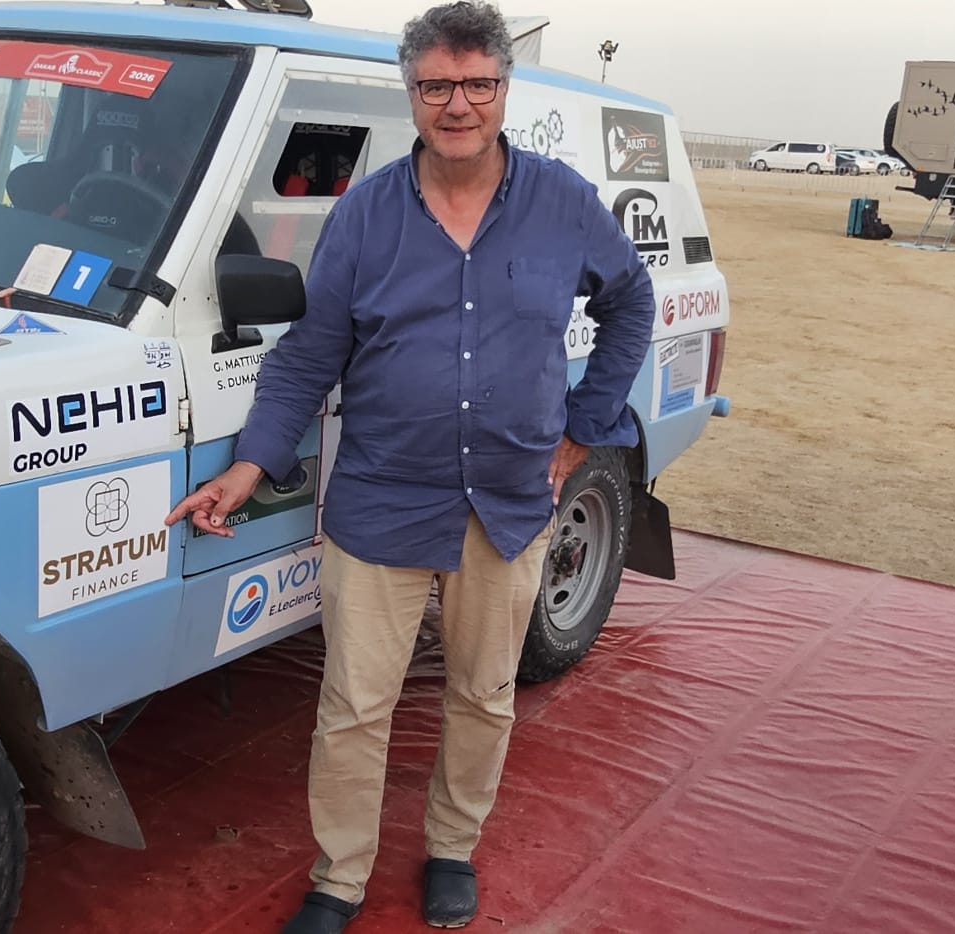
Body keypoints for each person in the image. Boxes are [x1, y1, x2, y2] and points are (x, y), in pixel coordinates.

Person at [162, 3, 653, 931]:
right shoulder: (365, 214)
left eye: (477, 84)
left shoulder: (562, 202)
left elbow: (630, 301)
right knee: (354, 706)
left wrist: (585, 426)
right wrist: (250, 465)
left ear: (504, 88)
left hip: (509, 503)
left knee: (484, 695)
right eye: (436, 86)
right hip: (383, 501)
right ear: (411, 92)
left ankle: (452, 848)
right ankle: (339, 877)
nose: (457, 104)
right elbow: (310, 356)